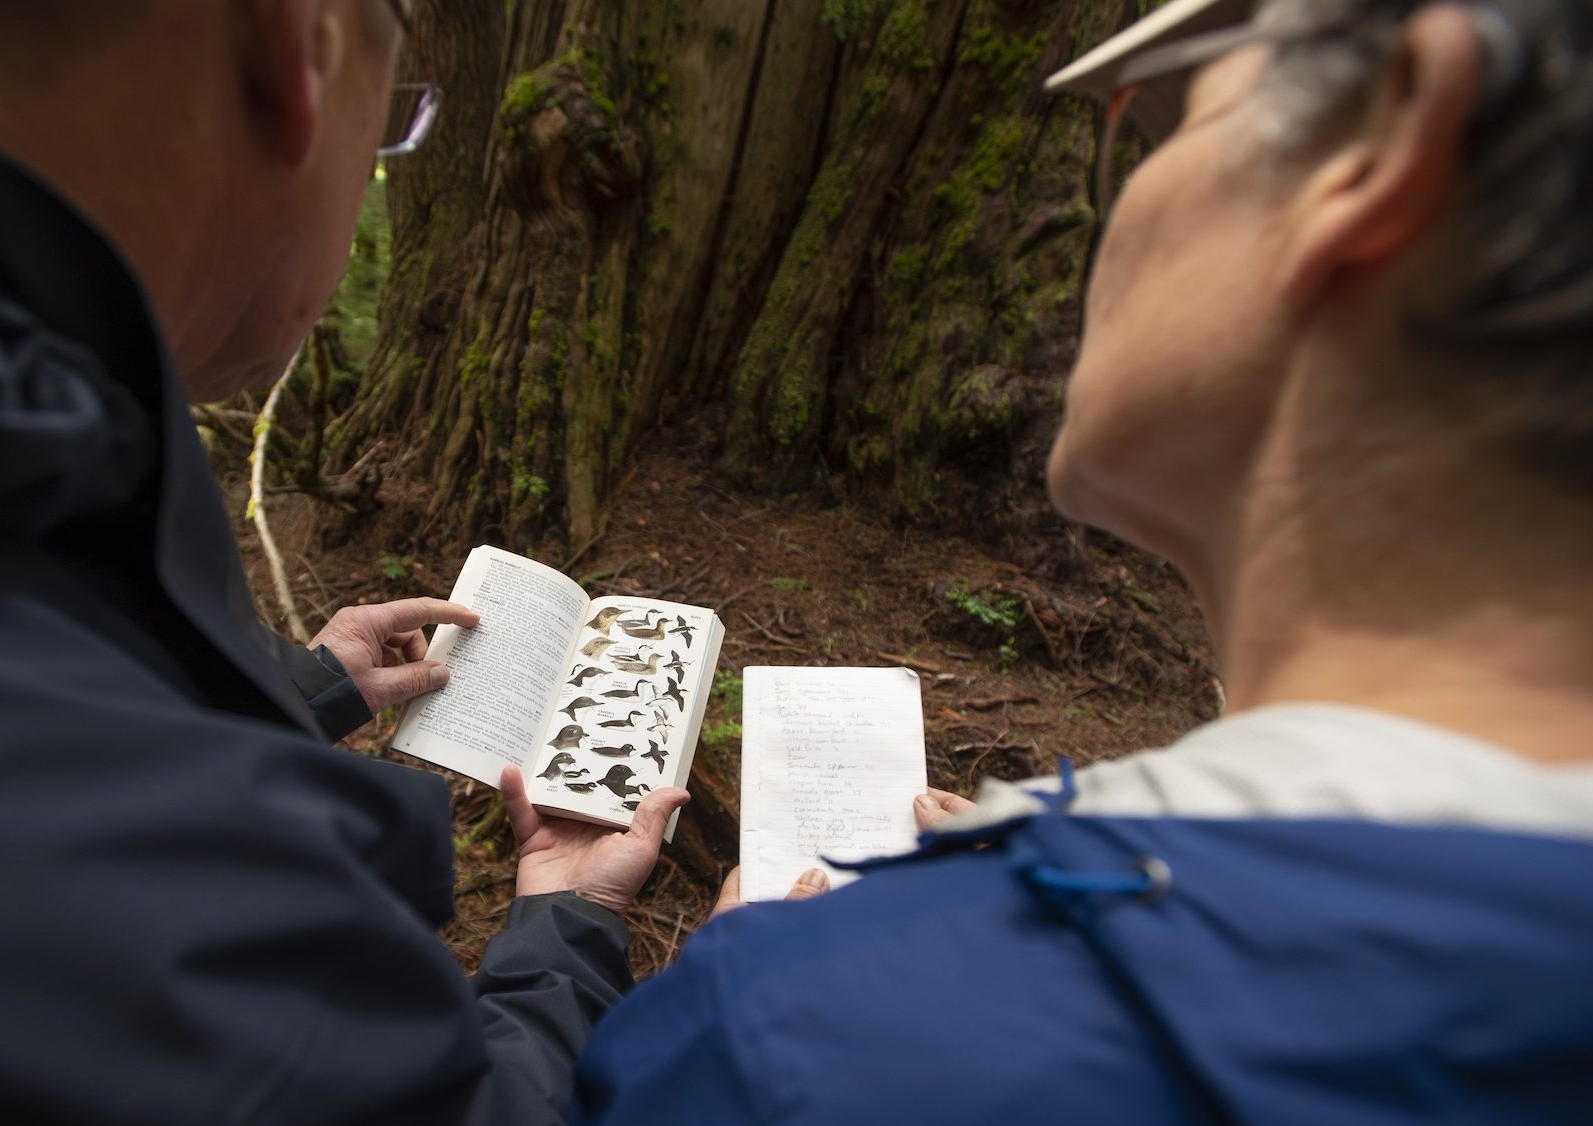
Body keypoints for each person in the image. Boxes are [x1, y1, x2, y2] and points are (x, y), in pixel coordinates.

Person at [0, 0, 687, 1122]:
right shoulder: (168, 897)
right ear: (296, 48)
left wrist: (291, 686)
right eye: (395, 123)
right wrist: (571, 921)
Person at [574, 0, 1593, 1120]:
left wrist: (845, 974)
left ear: (1384, 148)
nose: (1086, 232)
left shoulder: (813, 1040)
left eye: (1154, 127)